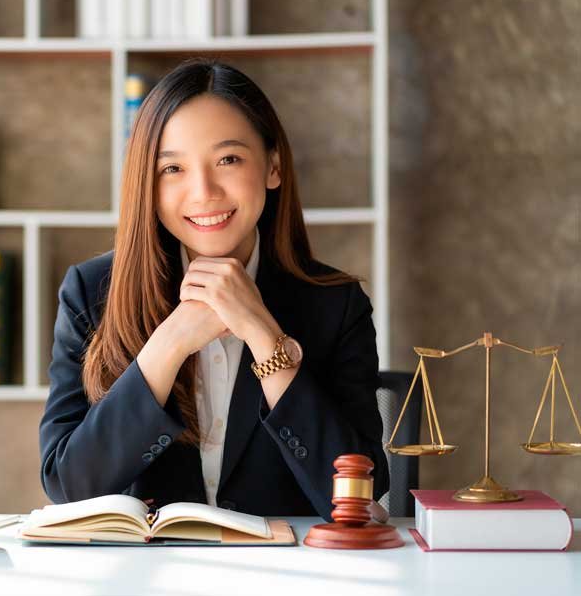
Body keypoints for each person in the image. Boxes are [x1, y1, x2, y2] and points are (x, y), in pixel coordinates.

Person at [38, 59, 388, 519]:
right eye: (173, 169)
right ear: (148, 184)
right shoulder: (90, 292)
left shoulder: (335, 304)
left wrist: (264, 336)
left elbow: (357, 499)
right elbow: (68, 486)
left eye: (228, 159)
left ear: (273, 166)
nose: (203, 192)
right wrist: (171, 341)